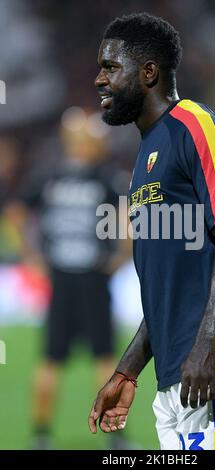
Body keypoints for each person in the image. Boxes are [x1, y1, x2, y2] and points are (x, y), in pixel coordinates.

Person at [88, 13, 215, 450]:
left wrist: (207, 347)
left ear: (149, 72)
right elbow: (168, 288)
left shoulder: (193, 124)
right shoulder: (145, 157)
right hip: (176, 372)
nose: (100, 79)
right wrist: (127, 370)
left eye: (110, 67)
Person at [5, 108, 130, 449]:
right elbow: (129, 221)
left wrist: (31, 257)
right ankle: (115, 437)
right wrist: (120, 257)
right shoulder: (106, 178)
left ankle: (41, 436)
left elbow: (15, 214)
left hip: (60, 280)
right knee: (104, 358)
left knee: (50, 360)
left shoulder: (48, 177)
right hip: (93, 279)